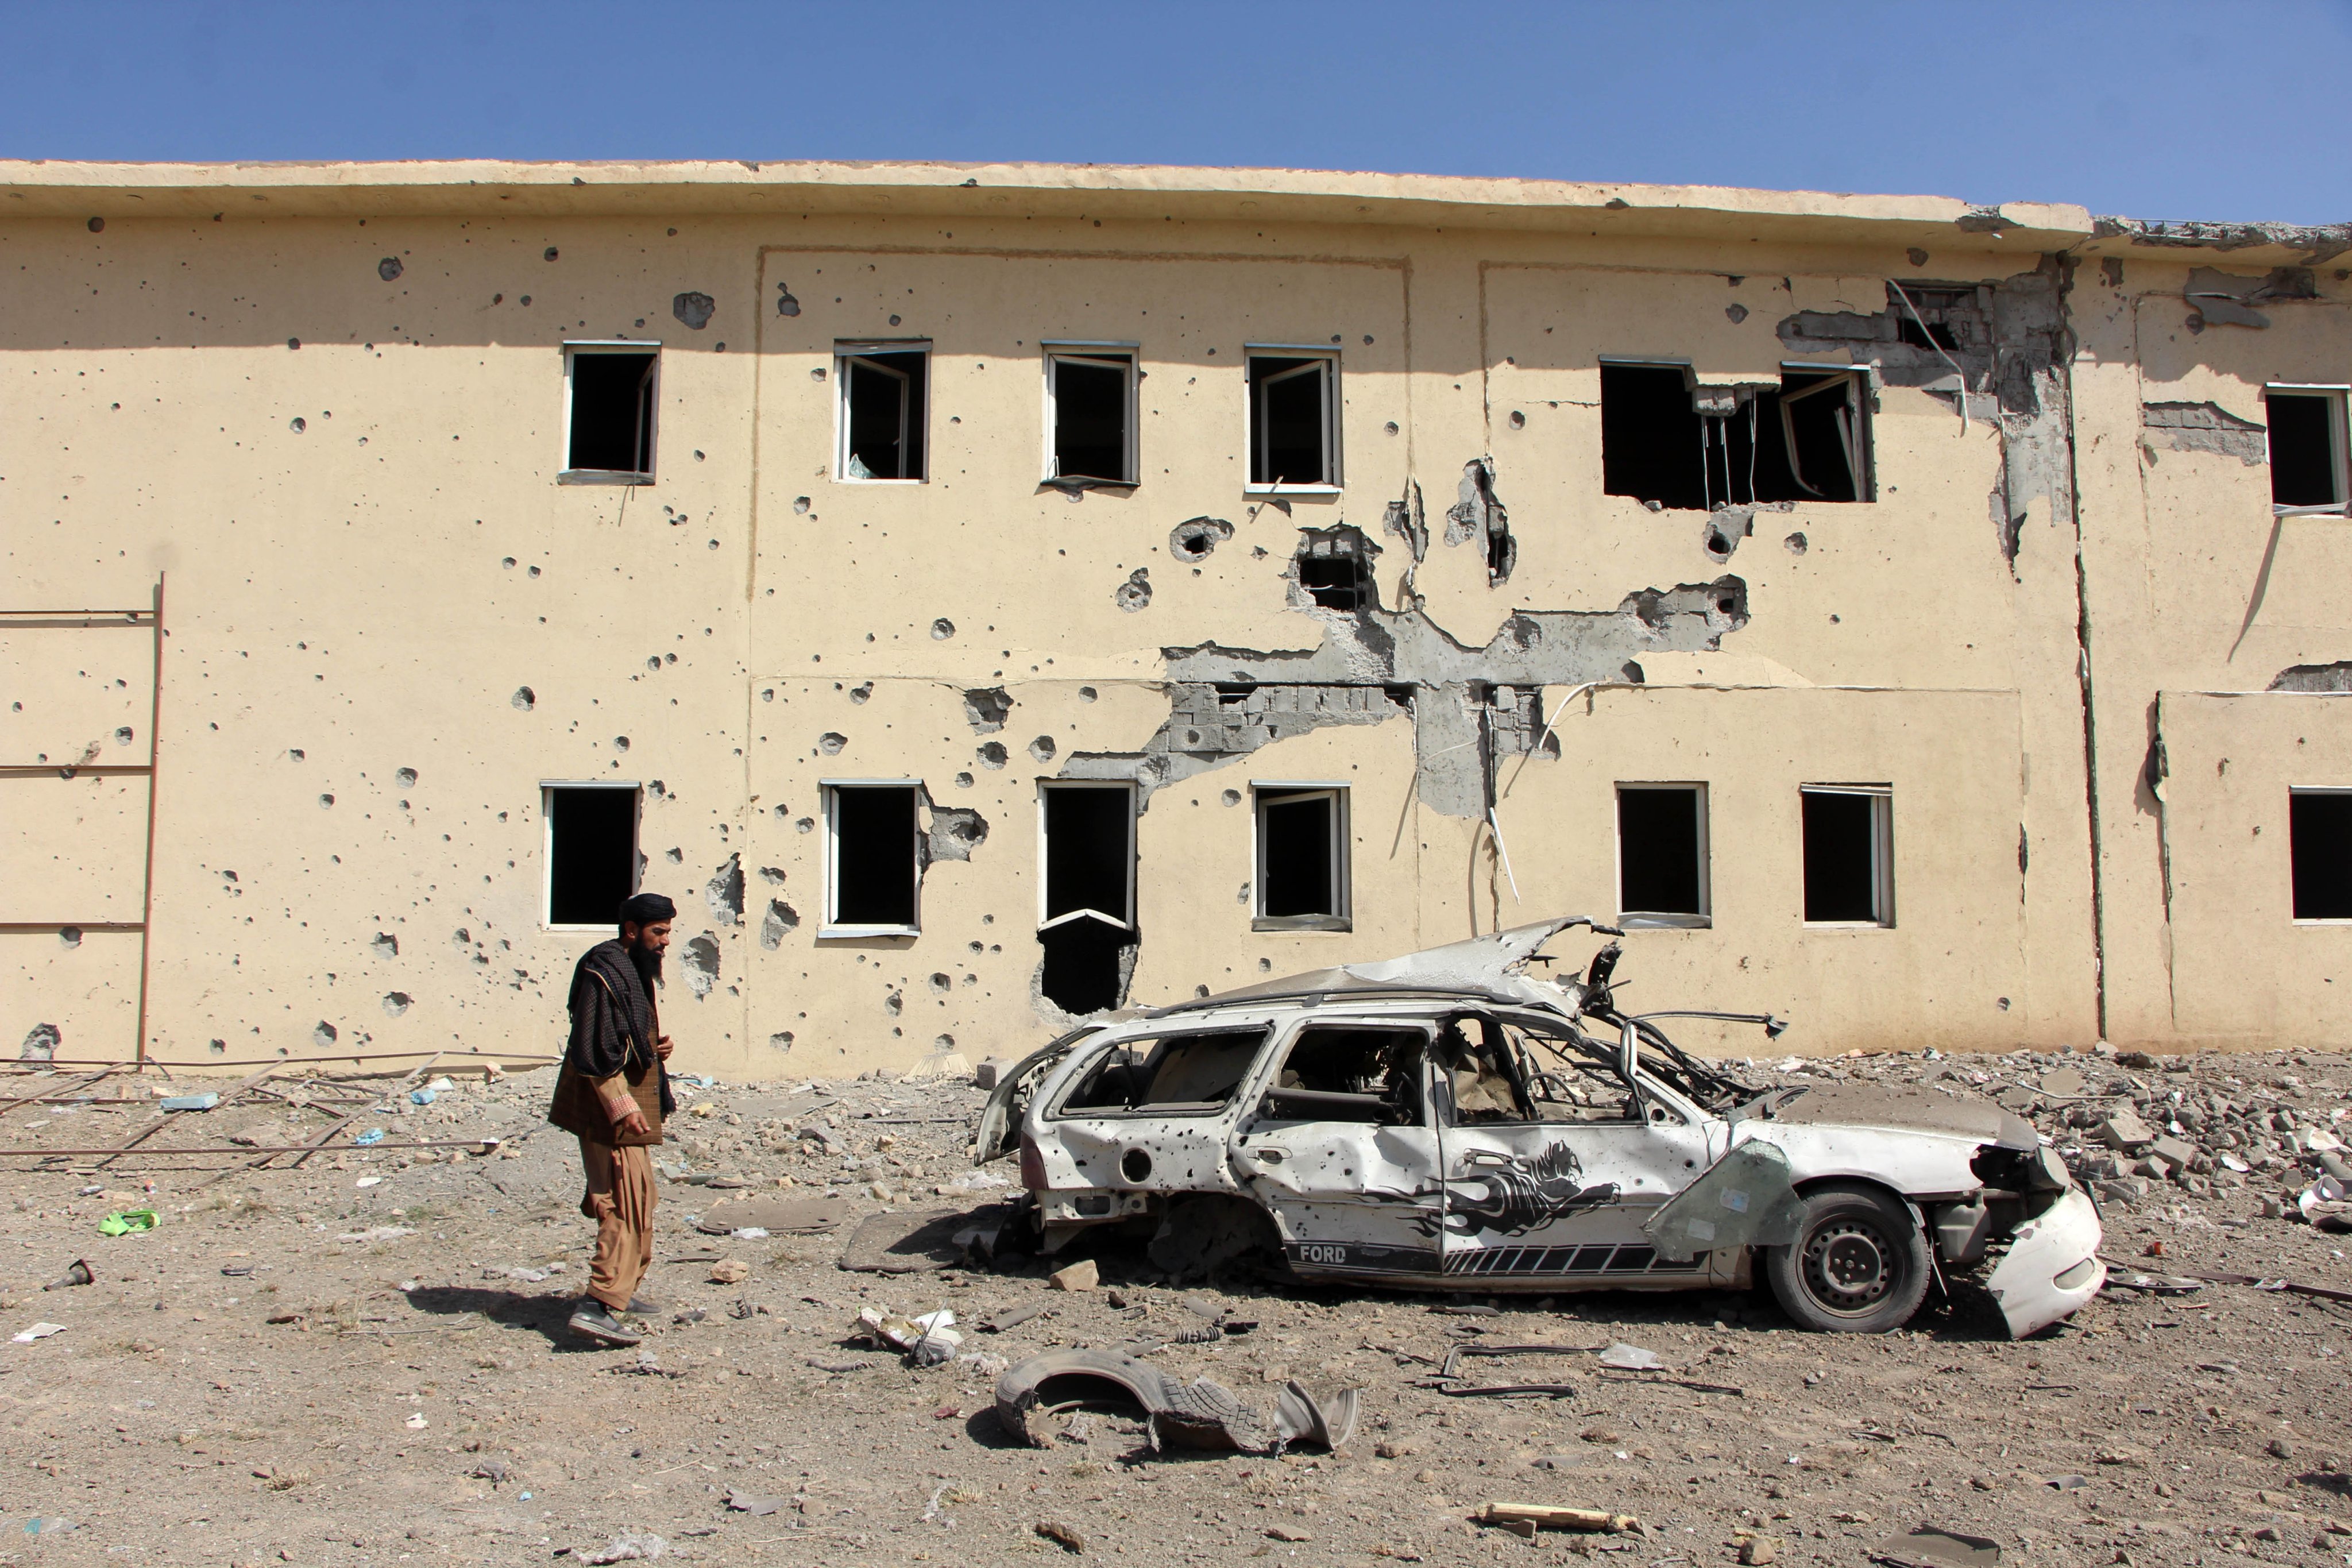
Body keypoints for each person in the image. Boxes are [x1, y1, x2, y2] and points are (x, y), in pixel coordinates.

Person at [549, 892, 677, 1346]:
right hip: (611, 1106)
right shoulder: (604, 968)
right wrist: (620, 1102)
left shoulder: (628, 965)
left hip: (625, 1100)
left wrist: (652, 1047)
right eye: (658, 932)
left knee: (642, 1198)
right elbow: (595, 1046)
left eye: (667, 932)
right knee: (625, 1201)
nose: (665, 942)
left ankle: (622, 1291)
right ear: (631, 930)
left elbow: (621, 1031)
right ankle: (599, 1304)